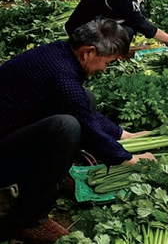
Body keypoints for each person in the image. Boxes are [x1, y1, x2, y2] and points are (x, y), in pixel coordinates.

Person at [0, 19, 156, 243]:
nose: (104, 69)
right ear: (89, 52)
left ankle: (51, 175)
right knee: (66, 127)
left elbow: (80, 106)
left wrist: (122, 134)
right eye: (107, 62)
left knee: (86, 99)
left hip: (13, 131)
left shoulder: (61, 54)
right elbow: (85, 123)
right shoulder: (61, 73)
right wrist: (130, 159)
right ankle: (29, 219)